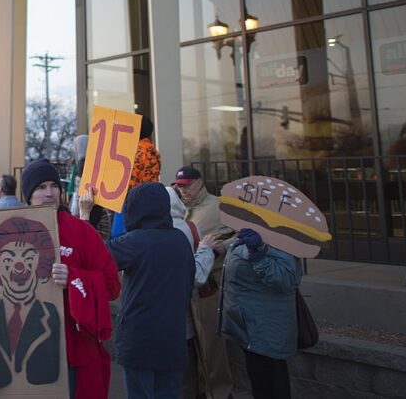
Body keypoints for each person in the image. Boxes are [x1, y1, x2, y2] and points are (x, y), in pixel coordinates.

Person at [0, 158, 121, 399]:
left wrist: (74, 278)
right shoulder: (10, 231)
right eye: (40, 188)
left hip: (74, 350)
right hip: (21, 359)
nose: (49, 193)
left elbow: (112, 286)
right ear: (29, 195)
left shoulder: (82, 232)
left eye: (53, 186)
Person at [106, 182, 194, 399]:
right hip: (173, 339)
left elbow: (95, 255)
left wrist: (86, 213)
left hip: (139, 341)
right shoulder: (181, 240)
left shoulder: (135, 242)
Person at [0, 215, 62, 388]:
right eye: (7, 259)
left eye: (28, 258)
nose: (19, 268)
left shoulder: (52, 315)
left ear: (41, 262)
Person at [219, 228, 301, 399]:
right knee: (261, 383)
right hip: (251, 327)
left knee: (272, 384)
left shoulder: (279, 239)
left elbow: (285, 280)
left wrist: (260, 254)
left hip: (267, 329)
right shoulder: (250, 234)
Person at [176, 166, 234, 399]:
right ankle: (203, 388)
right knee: (195, 341)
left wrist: (225, 247)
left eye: (187, 185)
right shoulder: (180, 209)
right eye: (179, 186)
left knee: (212, 341)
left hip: (212, 281)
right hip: (189, 282)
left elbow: (244, 234)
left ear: (200, 183)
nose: (183, 190)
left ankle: (219, 391)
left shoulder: (220, 205)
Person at [110, 117, 161, 238]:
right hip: (151, 198)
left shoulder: (134, 151)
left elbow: (129, 180)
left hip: (132, 199)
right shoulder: (152, 150)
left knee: (119, 235)